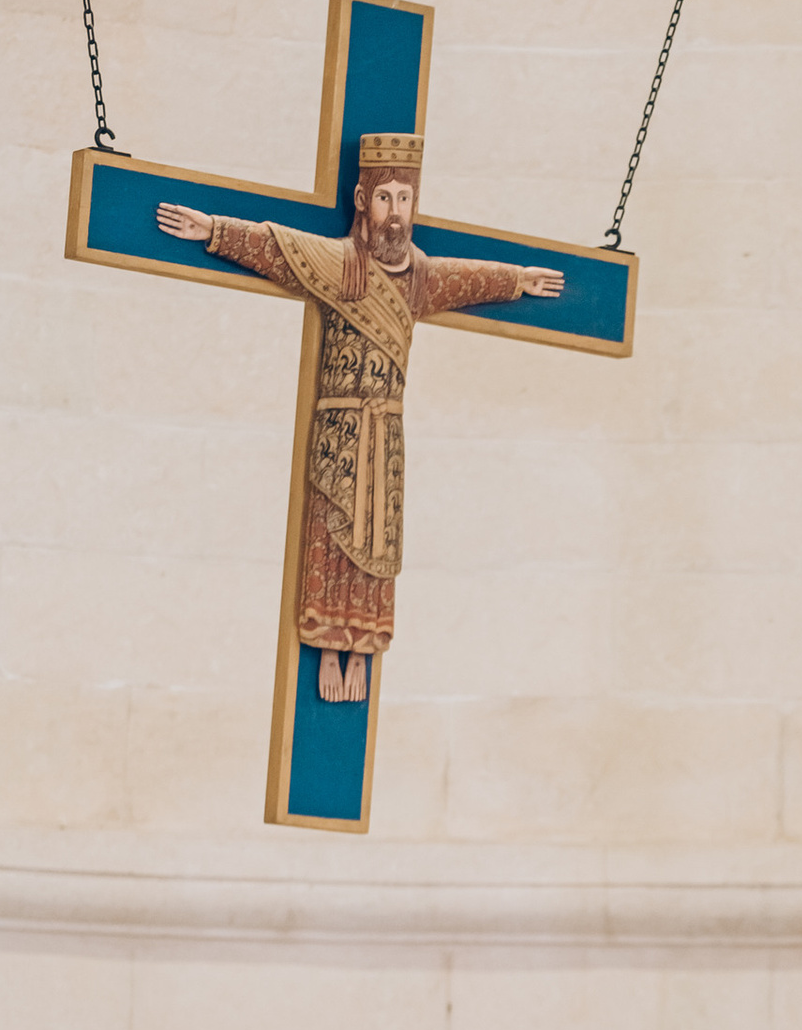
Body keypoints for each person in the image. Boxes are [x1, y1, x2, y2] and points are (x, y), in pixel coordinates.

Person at [158, 136, 563, 704]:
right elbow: (279, 246)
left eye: (404, 199)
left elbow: (469, 277)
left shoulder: (421, 277)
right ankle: (328, 645)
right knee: (334, 527)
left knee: (380, 537)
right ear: (361, 200)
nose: (395, 213)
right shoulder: (339, 264)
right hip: (340, 430)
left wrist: (517, 279)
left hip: (387, 433)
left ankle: (364, 649)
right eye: (384, 199)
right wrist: (216, 231)